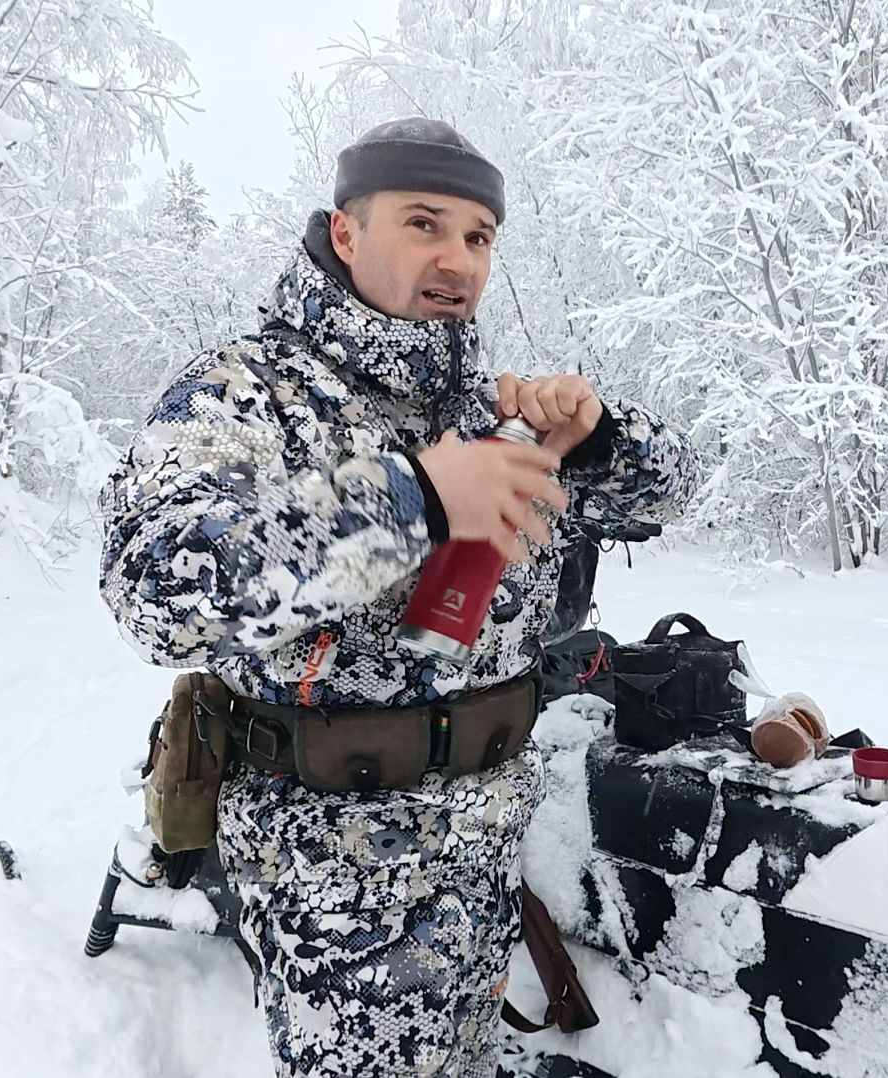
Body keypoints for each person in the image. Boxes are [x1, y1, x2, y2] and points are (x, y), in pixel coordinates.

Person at [96, 118, 696, 1077]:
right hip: (340, 867)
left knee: (462, 1053)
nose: (456, 259)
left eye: (478, 236)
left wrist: (597, 441)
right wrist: (411, 499)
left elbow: (669, 491)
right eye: (425, 224)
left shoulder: (483, 409)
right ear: (345, 232)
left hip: (489, 834)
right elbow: (155, 582)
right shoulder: (249, 394)